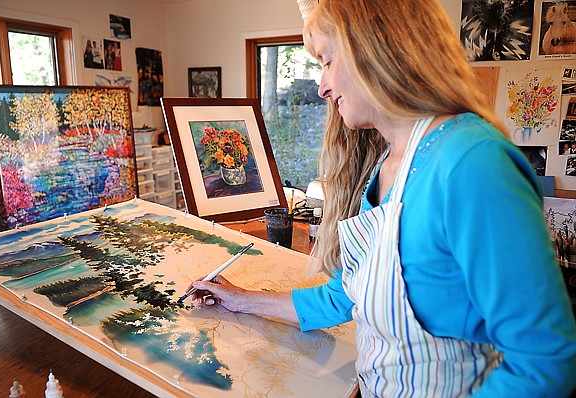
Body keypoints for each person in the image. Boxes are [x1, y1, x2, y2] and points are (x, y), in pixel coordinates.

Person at [189, 0, 576, 396]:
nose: (322, 87)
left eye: (326, 61)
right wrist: (240, 301)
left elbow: (543, 364)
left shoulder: (472, 163)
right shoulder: (388, 165)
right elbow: (343, 295)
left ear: (374, 51)